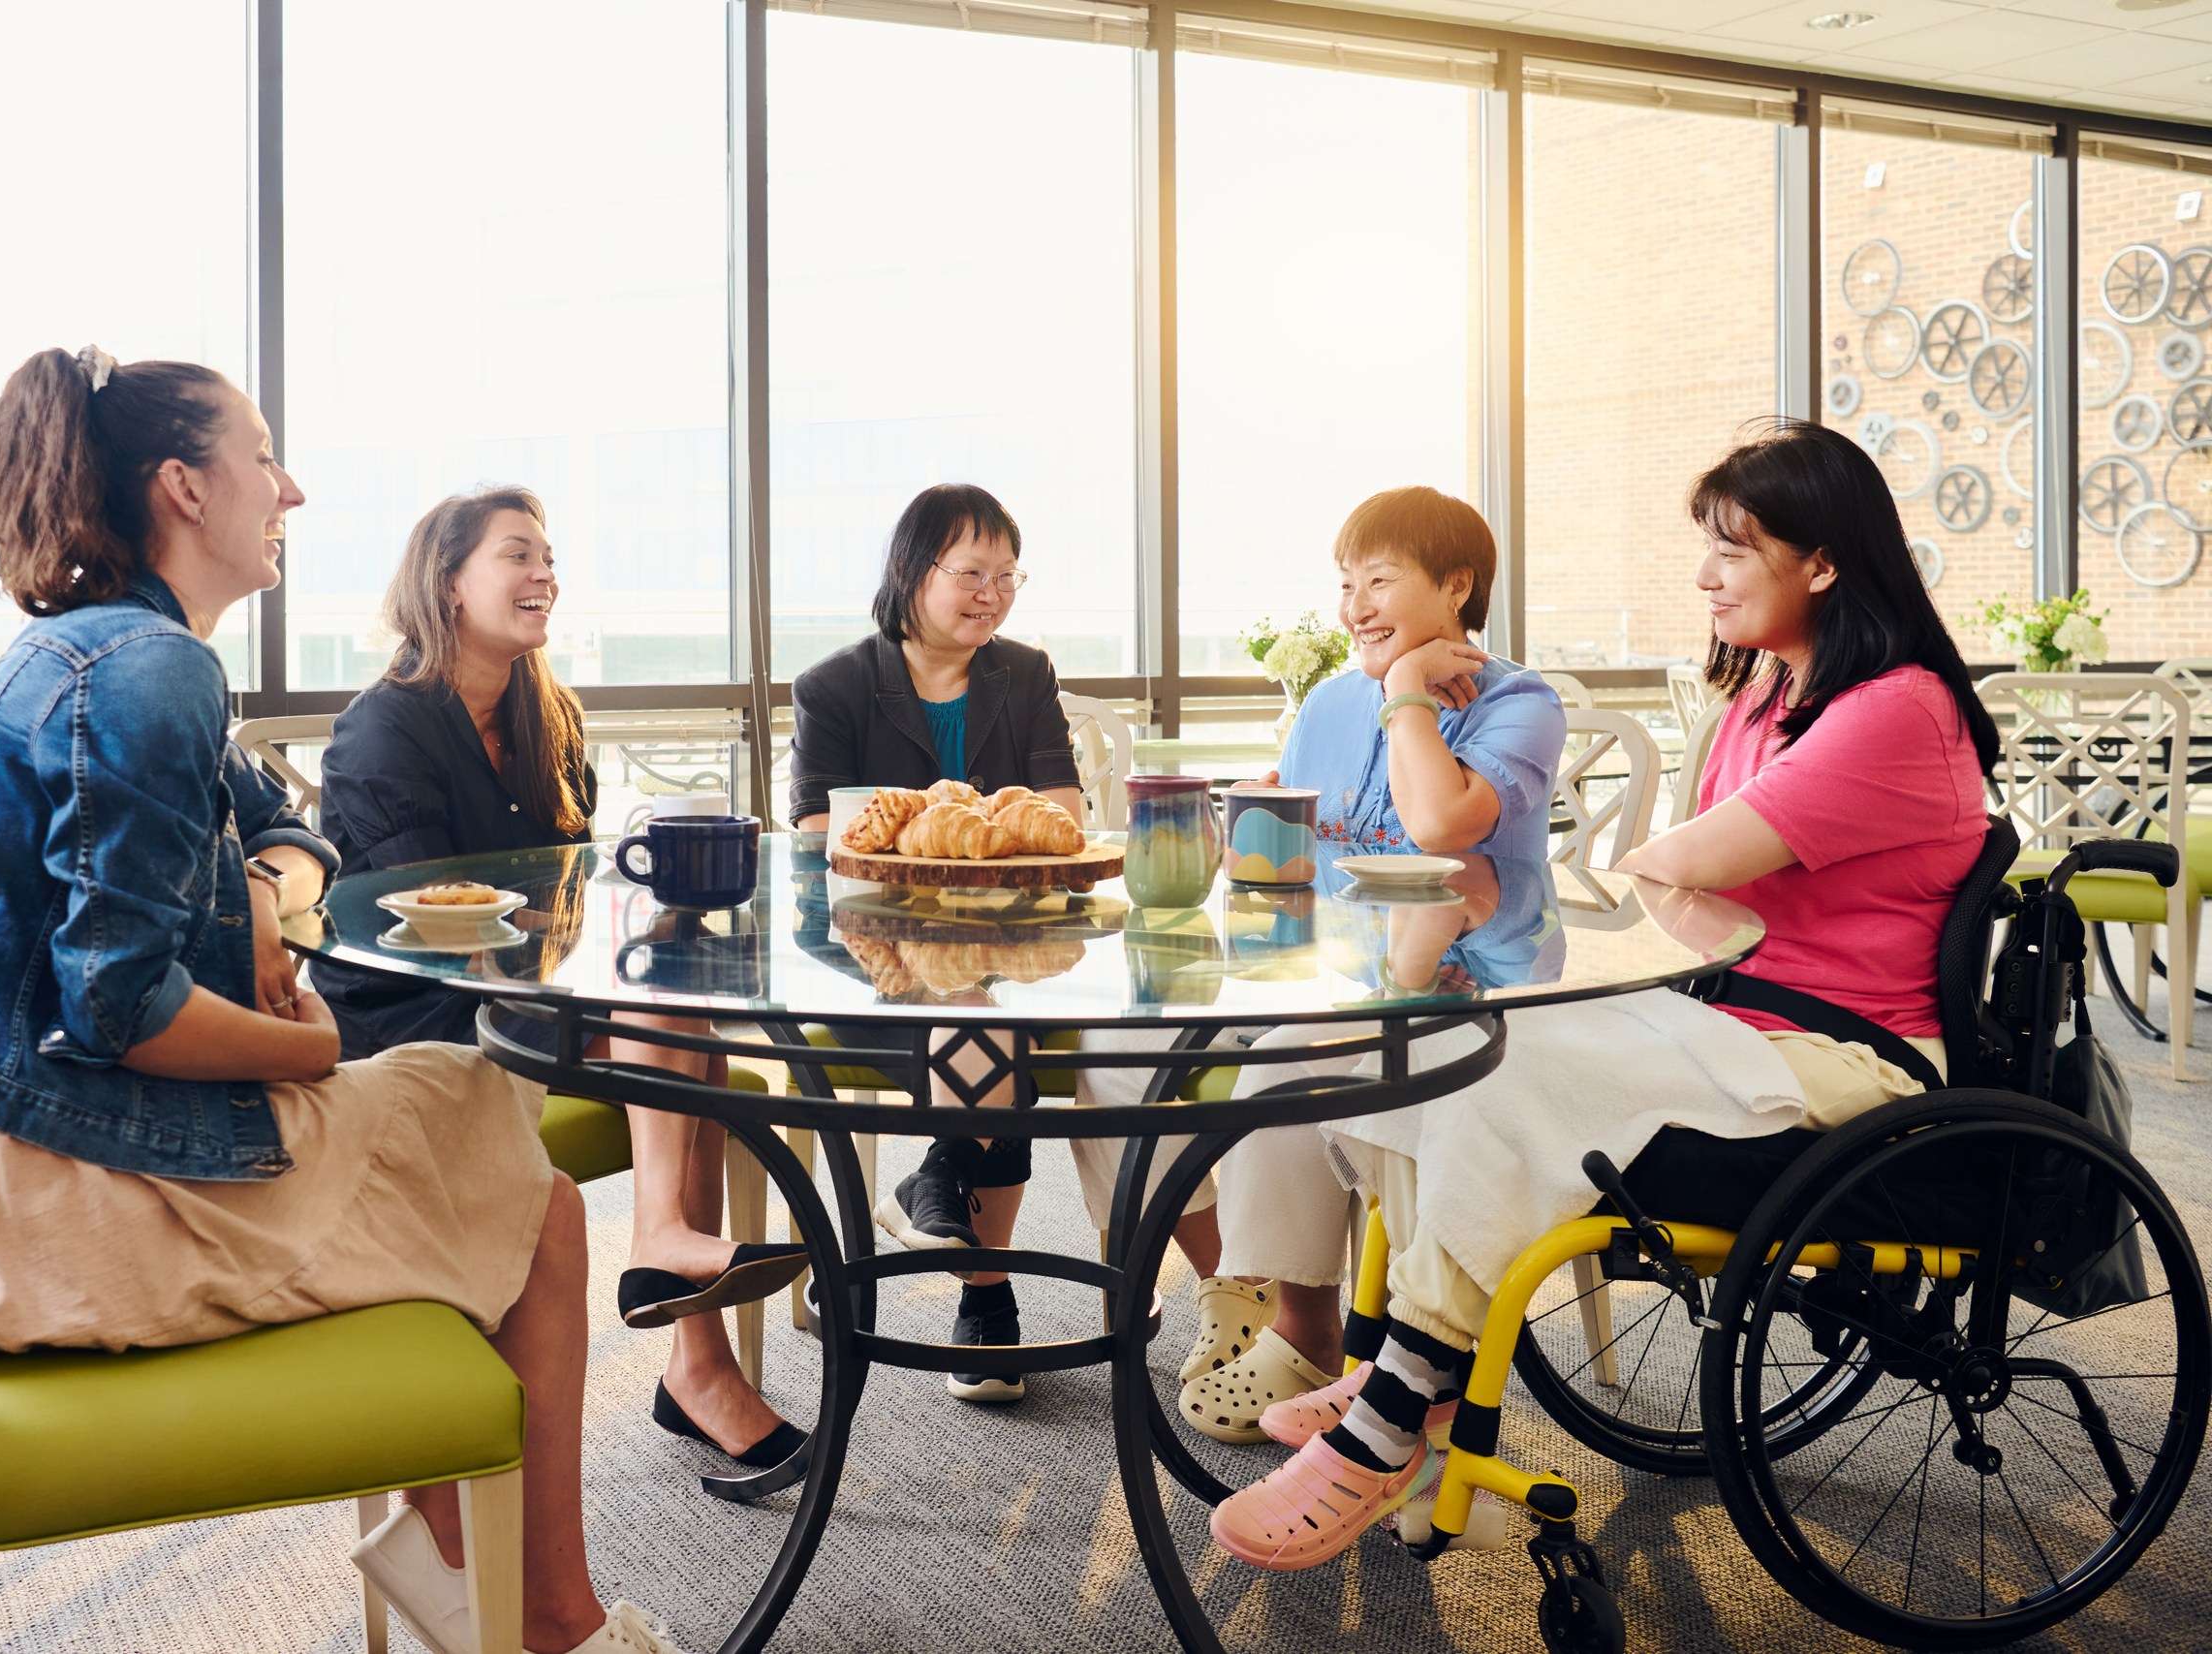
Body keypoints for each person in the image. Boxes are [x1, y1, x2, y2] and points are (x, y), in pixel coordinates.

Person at [0, 346, 685, 1654]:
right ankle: (536, 1608)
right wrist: (305, 1047)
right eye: (264, 459)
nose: (291, 489)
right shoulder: (149, 671)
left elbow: (281, 820)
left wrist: (262, 893)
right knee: (510, 1174)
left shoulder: (112, 649)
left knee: (470, 1112)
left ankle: (462, 1552)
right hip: (38, 1192)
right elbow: (122, 1007)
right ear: (186, 487)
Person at [1210, 418, 1997, 1572]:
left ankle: (1385, 1424)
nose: (1703, 576)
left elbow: (1675, 867)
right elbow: (1670, 879)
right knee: (1436, 1056)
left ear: (1820, 562)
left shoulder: (1893, 709)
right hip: (1730, 1019)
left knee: (1499, 1068)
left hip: (1845, 1056)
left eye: (1733, 550)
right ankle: (1407, 1379)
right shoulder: (1769, 697)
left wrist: (1619, 877)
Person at [316, 486, 805, 1475]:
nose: (544, 576)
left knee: (684, 1021)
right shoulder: (385, 729)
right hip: (425, 1018)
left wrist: (631, 909)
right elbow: (437, 922)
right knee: (671, 1022)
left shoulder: (546, 717)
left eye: (550, 560)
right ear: (448, 582)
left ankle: (691, 1346)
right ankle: (690, 1338)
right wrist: (589, 926)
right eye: (518, 556)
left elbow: (567, 881)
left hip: (538, 999)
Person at [1077, 485, 1567, 1441]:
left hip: (1471, 995)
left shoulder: (1519, 702)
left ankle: (1307, 1330)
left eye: (1379, 580)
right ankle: (1235, 1282)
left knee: (1282, 1064)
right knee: (1112, 1041)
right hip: (1325, 972)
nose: (1354, 605)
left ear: (1457, 585)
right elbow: (1293, 862)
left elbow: (1437, 830)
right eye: (1344, 584)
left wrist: (1405, 695)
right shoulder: (1327, 703)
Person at [787, 483, 1100, 1403]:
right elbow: (817, 829)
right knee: (987, 1026)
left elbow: (1066, 814)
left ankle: (942, 1172)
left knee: (989, 1010)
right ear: (912, 572)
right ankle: (986, 1292)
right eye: (972, 572)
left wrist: (973, 834)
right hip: (868, 952)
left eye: (1008, 575)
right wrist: (951, 824)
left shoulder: (1025, 674)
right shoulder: (837, 685)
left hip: (1010, 947)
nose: (992, 593)